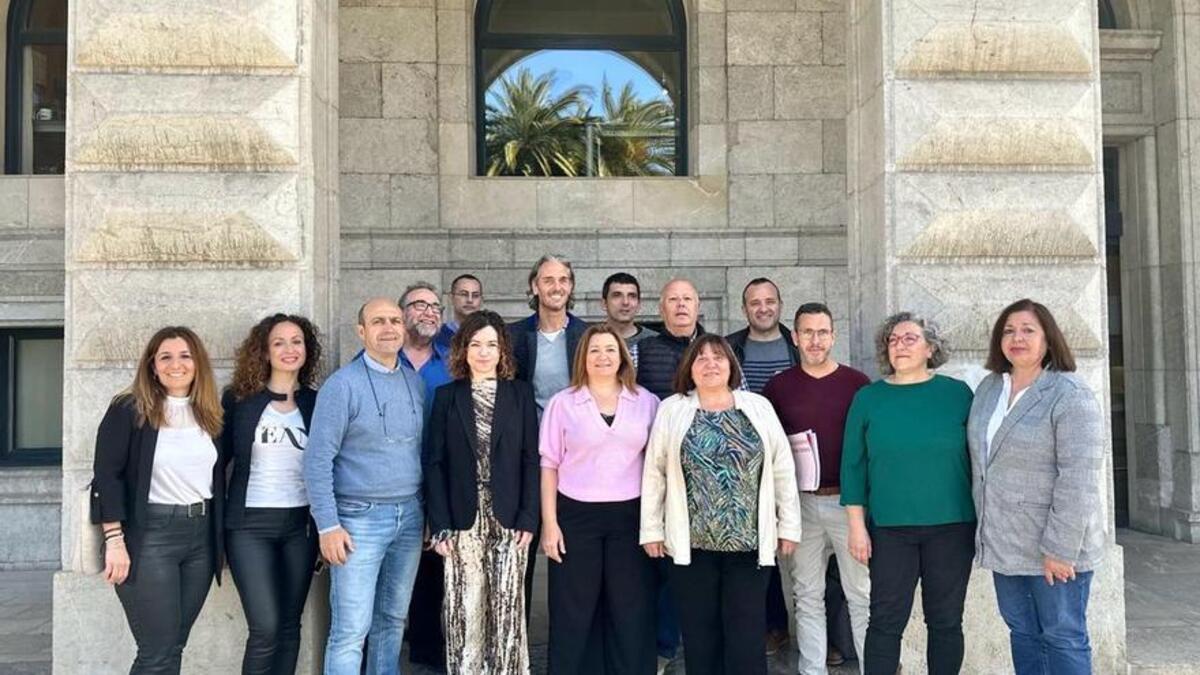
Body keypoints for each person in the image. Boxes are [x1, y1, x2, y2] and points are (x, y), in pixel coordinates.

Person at [640, 334, 802, 675]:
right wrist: (651, 529)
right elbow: (655, 473)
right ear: (690, 368)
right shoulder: (673, 409)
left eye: (718, 357)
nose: (710, 363)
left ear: (731, 365)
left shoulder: (758, 407)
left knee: (745, 637)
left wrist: (788, 526)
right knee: (701, 637)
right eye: (701, 358)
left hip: (749, 545)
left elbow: (782, 469)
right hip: (691, 545)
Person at [967, 299, 1105, 675]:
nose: (1017, 338)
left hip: (1054, 549)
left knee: (1063, 637)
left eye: (1028, 330)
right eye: (1009, 330)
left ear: (1048, 339)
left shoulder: (1069, 393)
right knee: (1023, 632)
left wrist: (1060, 549)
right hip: (1005, 544)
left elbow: (1078, 478)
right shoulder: (990, 389)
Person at [841, 312, 975, 675]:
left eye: (909, 338)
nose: (899, 345)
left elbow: (980, 458)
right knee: (885, 621)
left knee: (946, 621)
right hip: (889, 528)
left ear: (930, 347)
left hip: (952, 525)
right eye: (893, 339)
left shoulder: (957, 394)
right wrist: (856, 526)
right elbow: (853, 466)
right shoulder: (868, 398)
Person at [90, 326, 225, 674]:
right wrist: (114, 540)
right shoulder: (129, 408)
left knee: (173, 644)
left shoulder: (209, 412)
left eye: (185, 355)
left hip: (201, 538)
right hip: (150, 537)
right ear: (152, 365)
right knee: (156, 651)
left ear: (198, 363)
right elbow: (107, 476)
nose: (175, 364)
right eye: (165, 356)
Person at [303, 297, 425, 675]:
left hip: (409, 518)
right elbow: (317, 459)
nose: (388, 328)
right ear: (361, 331)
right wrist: (327, 524)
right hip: (358, 521)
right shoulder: (342, 386)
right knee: (351, 630)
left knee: (391, 621)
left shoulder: (414, 382)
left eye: (394, 320)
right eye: (378, 322)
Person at [423, 310, 540, 674]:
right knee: (464, 612)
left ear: (502, 350)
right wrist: (439, 524)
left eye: (491, 344)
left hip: (509, 518)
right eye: (476, 344)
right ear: (463, 349)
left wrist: (529, 517)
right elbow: (435, 463)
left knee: (507, 614)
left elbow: (530, 461)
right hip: (460, 519)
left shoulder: (520, 394)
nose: (484, 352)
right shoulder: (447, 396)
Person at [540, 325, 660, 674]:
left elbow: (657, 464)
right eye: (594, 350)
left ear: (622, 355)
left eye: (610, 349)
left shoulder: (646, 401)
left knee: (630, 607)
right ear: (583, 357)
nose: (603, 357)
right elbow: (549, 465)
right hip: (576, 515)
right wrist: (550, 524)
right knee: (574, 609)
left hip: (631, 516)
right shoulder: (563, 403)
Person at [762, 302, 871, 673]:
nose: (815, 340)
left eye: (822, 332)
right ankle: (812, 670)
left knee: (861, 594)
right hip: (801, 505)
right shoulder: (778, 387)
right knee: (807, 594)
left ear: (833, 336)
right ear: (794, 337)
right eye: (807, 332)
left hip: (849, 504)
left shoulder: (857, 383)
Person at [222, 314, 322, 675]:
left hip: (300, 526)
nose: (289, 349)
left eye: (296, 341)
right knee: (264, 627)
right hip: (249, 526)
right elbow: (217, 463)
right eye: (279, 342)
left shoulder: (316, 401)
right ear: (264, 351)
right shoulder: (239, 400)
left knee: (290, 626)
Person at [725, 277, 800, 654]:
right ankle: (773, 625)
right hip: (746, 462)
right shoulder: (730, 347)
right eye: (755, 302)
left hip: (798, 455)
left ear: (779, 304)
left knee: (808, 549)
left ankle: (829, 635)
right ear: (745, 309)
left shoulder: (797, 343)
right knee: (761, 547)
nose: (763, 308)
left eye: (769, 301)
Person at [397, 282, 454, 670]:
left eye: (435, 306)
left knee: (434, 575)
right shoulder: (376, 361)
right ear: (402, 315)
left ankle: (426, 657)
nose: (429, 312)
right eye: (419, 305)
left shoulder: (452, 365)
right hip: (392, 484)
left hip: (441, 483)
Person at [510, 254, 589, 415]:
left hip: (576, 433)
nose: (557, 287)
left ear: (571, 286)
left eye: (563, 280)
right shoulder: (513, 336)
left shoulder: (587, 335)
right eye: (548, 280)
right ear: (534, 286)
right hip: (531, 434)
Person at [636, 278, 704, 401]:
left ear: (697, 307)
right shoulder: (641, 349)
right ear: (662, 309)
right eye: (673, 299)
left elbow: (740, 395)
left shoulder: (720, 348)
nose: (681, 304)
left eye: (687, 299)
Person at [600, 272, 658, 368]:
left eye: (632, 296)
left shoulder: (656, 342)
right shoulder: (590, 341)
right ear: (604, 303)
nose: (625, 302)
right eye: (617, 295)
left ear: (639, 305)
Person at [438, 274, 483, 348]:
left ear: (481, 300)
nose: (470, 300)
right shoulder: (437, 335)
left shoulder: (491, 334)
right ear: (451, 298)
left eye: (475, 295)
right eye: (464, 294)